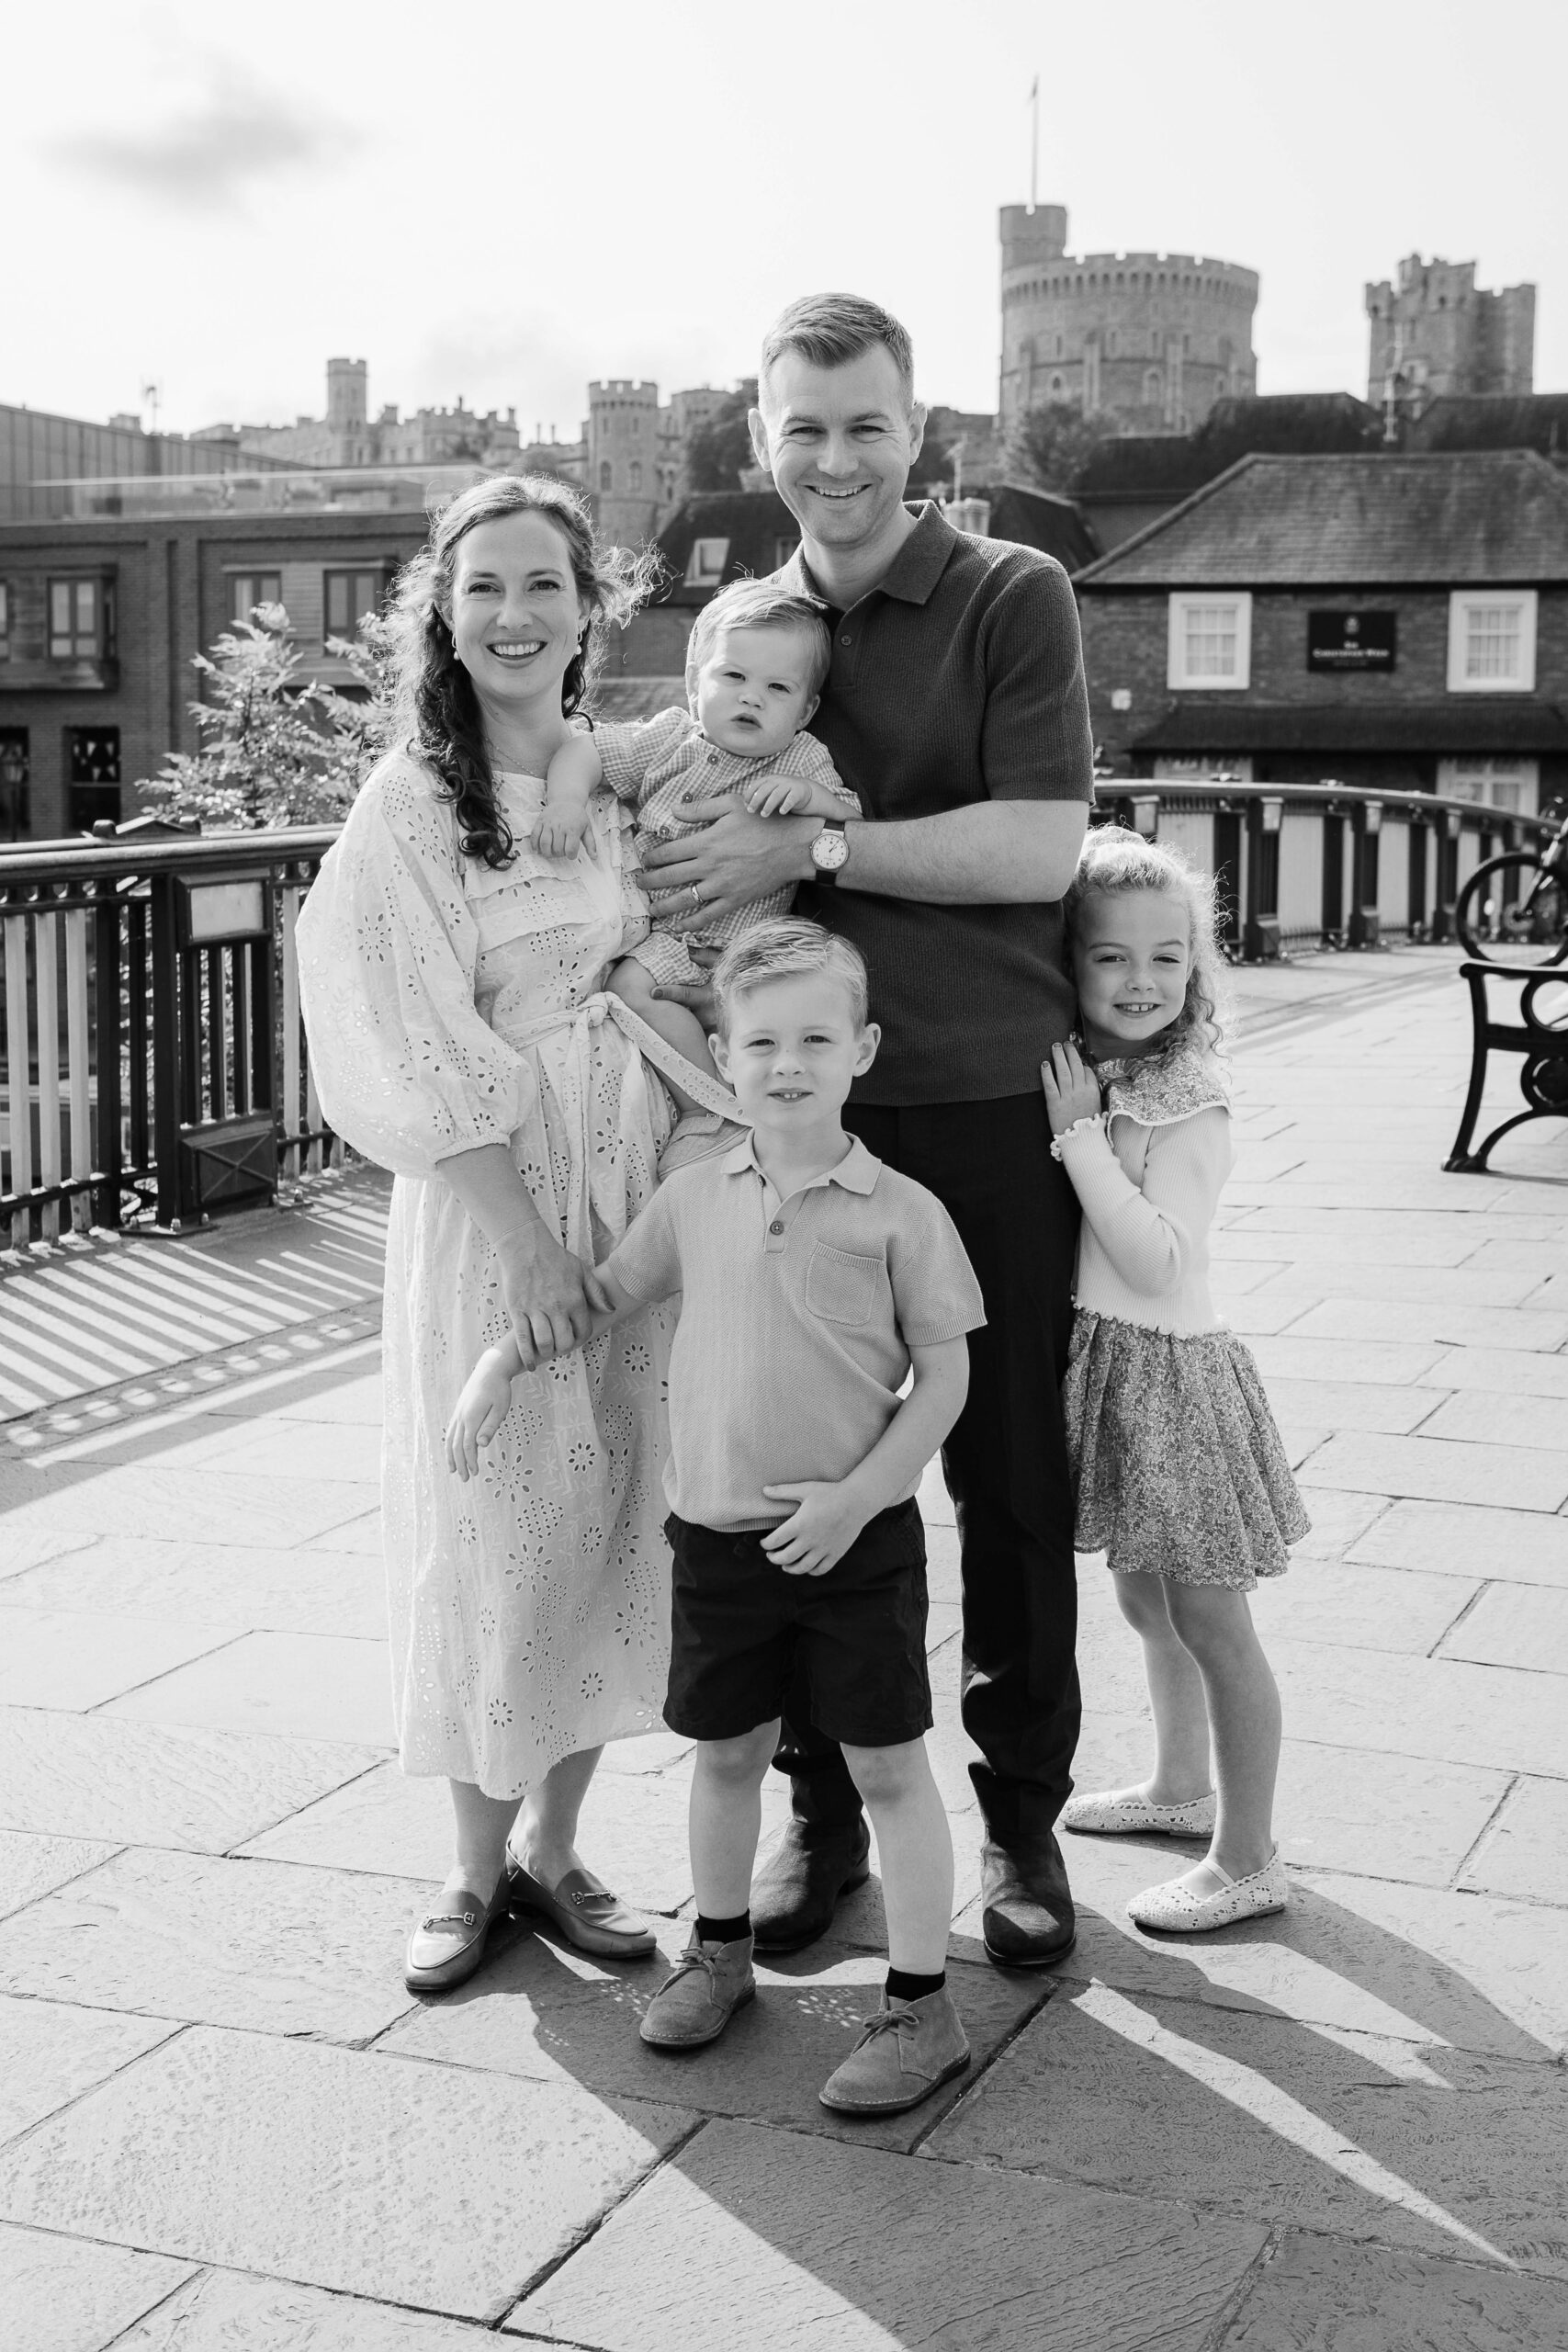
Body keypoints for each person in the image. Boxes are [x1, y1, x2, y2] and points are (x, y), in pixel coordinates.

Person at [635, 294, 1094, 1967]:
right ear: (764, 447)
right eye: (802, 429)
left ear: (921, 435)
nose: (834, 458)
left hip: (973, 1099)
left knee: (1006, 1476)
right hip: (794, 1121)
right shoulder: (746, 628)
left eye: (864, 424)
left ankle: (1023, 1835)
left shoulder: (1007, 596)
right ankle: (826, 1830)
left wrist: (811, 859)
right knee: (802, 1470)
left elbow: (1041, 848)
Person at [296, 475, 739, 1997]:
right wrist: (530, 1244)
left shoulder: (619, 778)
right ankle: (472, 1871)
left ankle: (555, 1854)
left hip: (639, 1187)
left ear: (585, 605)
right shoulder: (413, 805)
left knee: (621, 1516)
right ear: (441, 606)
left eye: (541, 583)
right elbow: (404, 1038)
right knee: (499, 1529)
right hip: (502, 1212)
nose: (512, 613)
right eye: (482, 586)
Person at [447, 920, 986, 2114]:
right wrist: (495, 1365)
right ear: (724, 1060)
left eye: (813, 1039)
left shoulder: (901, 1214)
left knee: (888, 1768)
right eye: (759, 1043)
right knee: (727, 1751)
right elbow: (593, 1303)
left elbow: (944, 1375)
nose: (785, 1063)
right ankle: (719, 1955)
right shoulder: (693, 1199)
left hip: (854, 1544)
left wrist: (863, 1495)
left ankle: (919, 2006)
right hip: (719, 1545)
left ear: (863, 1050)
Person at [1044, 825, 1306, 1931]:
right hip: (1116, 1368)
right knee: (1143, 1599)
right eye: (1111, 957)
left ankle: (1248, 1855)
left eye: (1168, 955)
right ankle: (1176, 1783)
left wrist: (1078, 1140)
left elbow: (1158, 1255)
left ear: (1198, 966)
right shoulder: (1109, 1071)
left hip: (1173, 1387)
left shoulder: (1183, 1097)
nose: (1142, 979)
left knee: (1211, 1621)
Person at [532, 579, 860, 1092]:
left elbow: (853, 826)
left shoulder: (803, 759)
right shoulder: (669, 740)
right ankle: (709, 1100)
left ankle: (709, 1108)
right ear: (694, 682)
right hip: (666, 936)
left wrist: (809, 799)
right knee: (626, 992)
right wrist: (567, 802)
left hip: (746, 947)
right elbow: (586, 752)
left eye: (779, 688)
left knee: (647, 995)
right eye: (733, 676)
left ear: (805, 711)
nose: (752, 696)